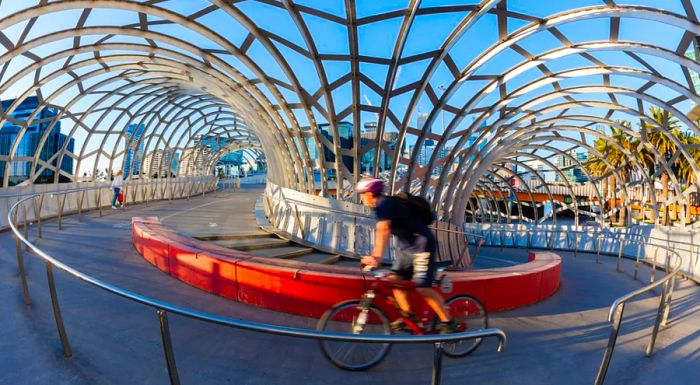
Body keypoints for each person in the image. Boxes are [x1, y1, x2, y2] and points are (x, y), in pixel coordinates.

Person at [357, 177, 456, 333]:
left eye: (362, 194)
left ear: (370, 193)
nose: (361, 198)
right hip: (407, 249)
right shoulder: (382, 207)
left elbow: (383, 230)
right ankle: (408, 316)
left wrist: (376, 258)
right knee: (394, 280)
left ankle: (448, 322)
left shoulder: (385, 204)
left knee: (423, 287)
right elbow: (382, 230)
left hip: (422, 245)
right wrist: (375, 256)